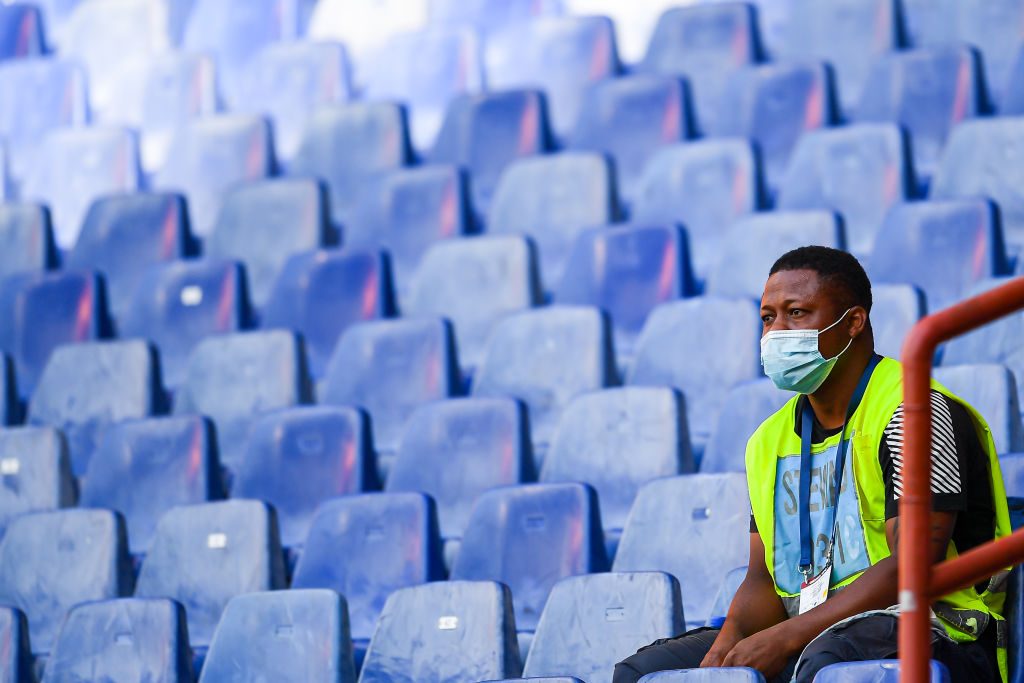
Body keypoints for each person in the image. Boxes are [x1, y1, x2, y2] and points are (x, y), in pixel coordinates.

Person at [614, 246, 1011, 682]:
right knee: (641, 672)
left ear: (853, 323)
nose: (776, 333)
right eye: (768, 318)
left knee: (825, 663)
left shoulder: (914, 413)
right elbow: (762, 577)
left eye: (796, 313)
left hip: (937, 629)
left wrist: (787, 638)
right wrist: (733, 636)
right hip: (813, 631)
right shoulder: (768, 441)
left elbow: (913, 567)